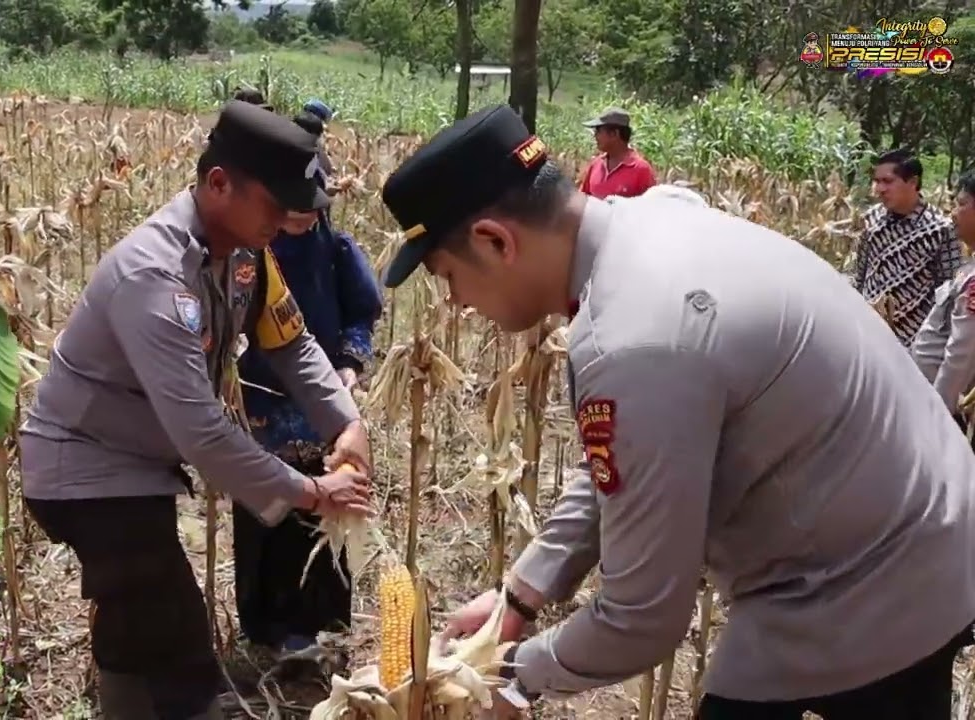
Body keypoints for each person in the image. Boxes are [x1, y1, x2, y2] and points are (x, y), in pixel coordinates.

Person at [378, 104, 975, 719]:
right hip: (924, 521)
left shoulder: (637, 337)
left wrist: (508, 680)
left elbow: (642, 619)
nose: (456, 304)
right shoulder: (649, 221)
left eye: (449, 277)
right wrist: (520, 598)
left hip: (876, 575)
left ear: (495, 241)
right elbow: (625, 456)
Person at [18, 100, 375, 720]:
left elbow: (291, 344)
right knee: (177, 634)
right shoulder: (154, 276)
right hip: (82, 471)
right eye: (275, 202)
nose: (289, 218)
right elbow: (202, 432)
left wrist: (347, 422)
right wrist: (312, 491)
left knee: (136, 622)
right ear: (218, 185)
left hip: (136, 466)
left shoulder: (246, 255)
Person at [232, 132, 382, 653]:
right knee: (267, 512)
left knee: (324, 512)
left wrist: (348, 361)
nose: (301, 220)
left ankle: (319, 621)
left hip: (321, 407)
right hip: (261, 402)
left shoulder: (335, 249)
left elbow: (362, 310)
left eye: (310, 211)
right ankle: (266, 623)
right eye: (291, 211)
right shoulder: (247, 256)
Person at [852, 148, 962, 345]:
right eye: (877, 181)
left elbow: (948, 292)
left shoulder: (939, 229)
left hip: (913, 342)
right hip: (867, 334)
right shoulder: (872, 219)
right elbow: (860, 276)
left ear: (912, 182)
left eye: (888, 181)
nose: (879, 189)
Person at [910, 169, 975, 435]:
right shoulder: (968, 267)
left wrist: (937, 414)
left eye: (961, 204)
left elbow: (962, 354)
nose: (953, 213)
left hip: (948, 412)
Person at [578, 107, 656, 200]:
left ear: (614, 133)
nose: (595, 136)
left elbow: (651, 208)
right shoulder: (596, 164)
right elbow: (582, 200)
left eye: (598, 131)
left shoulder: (641, 170)